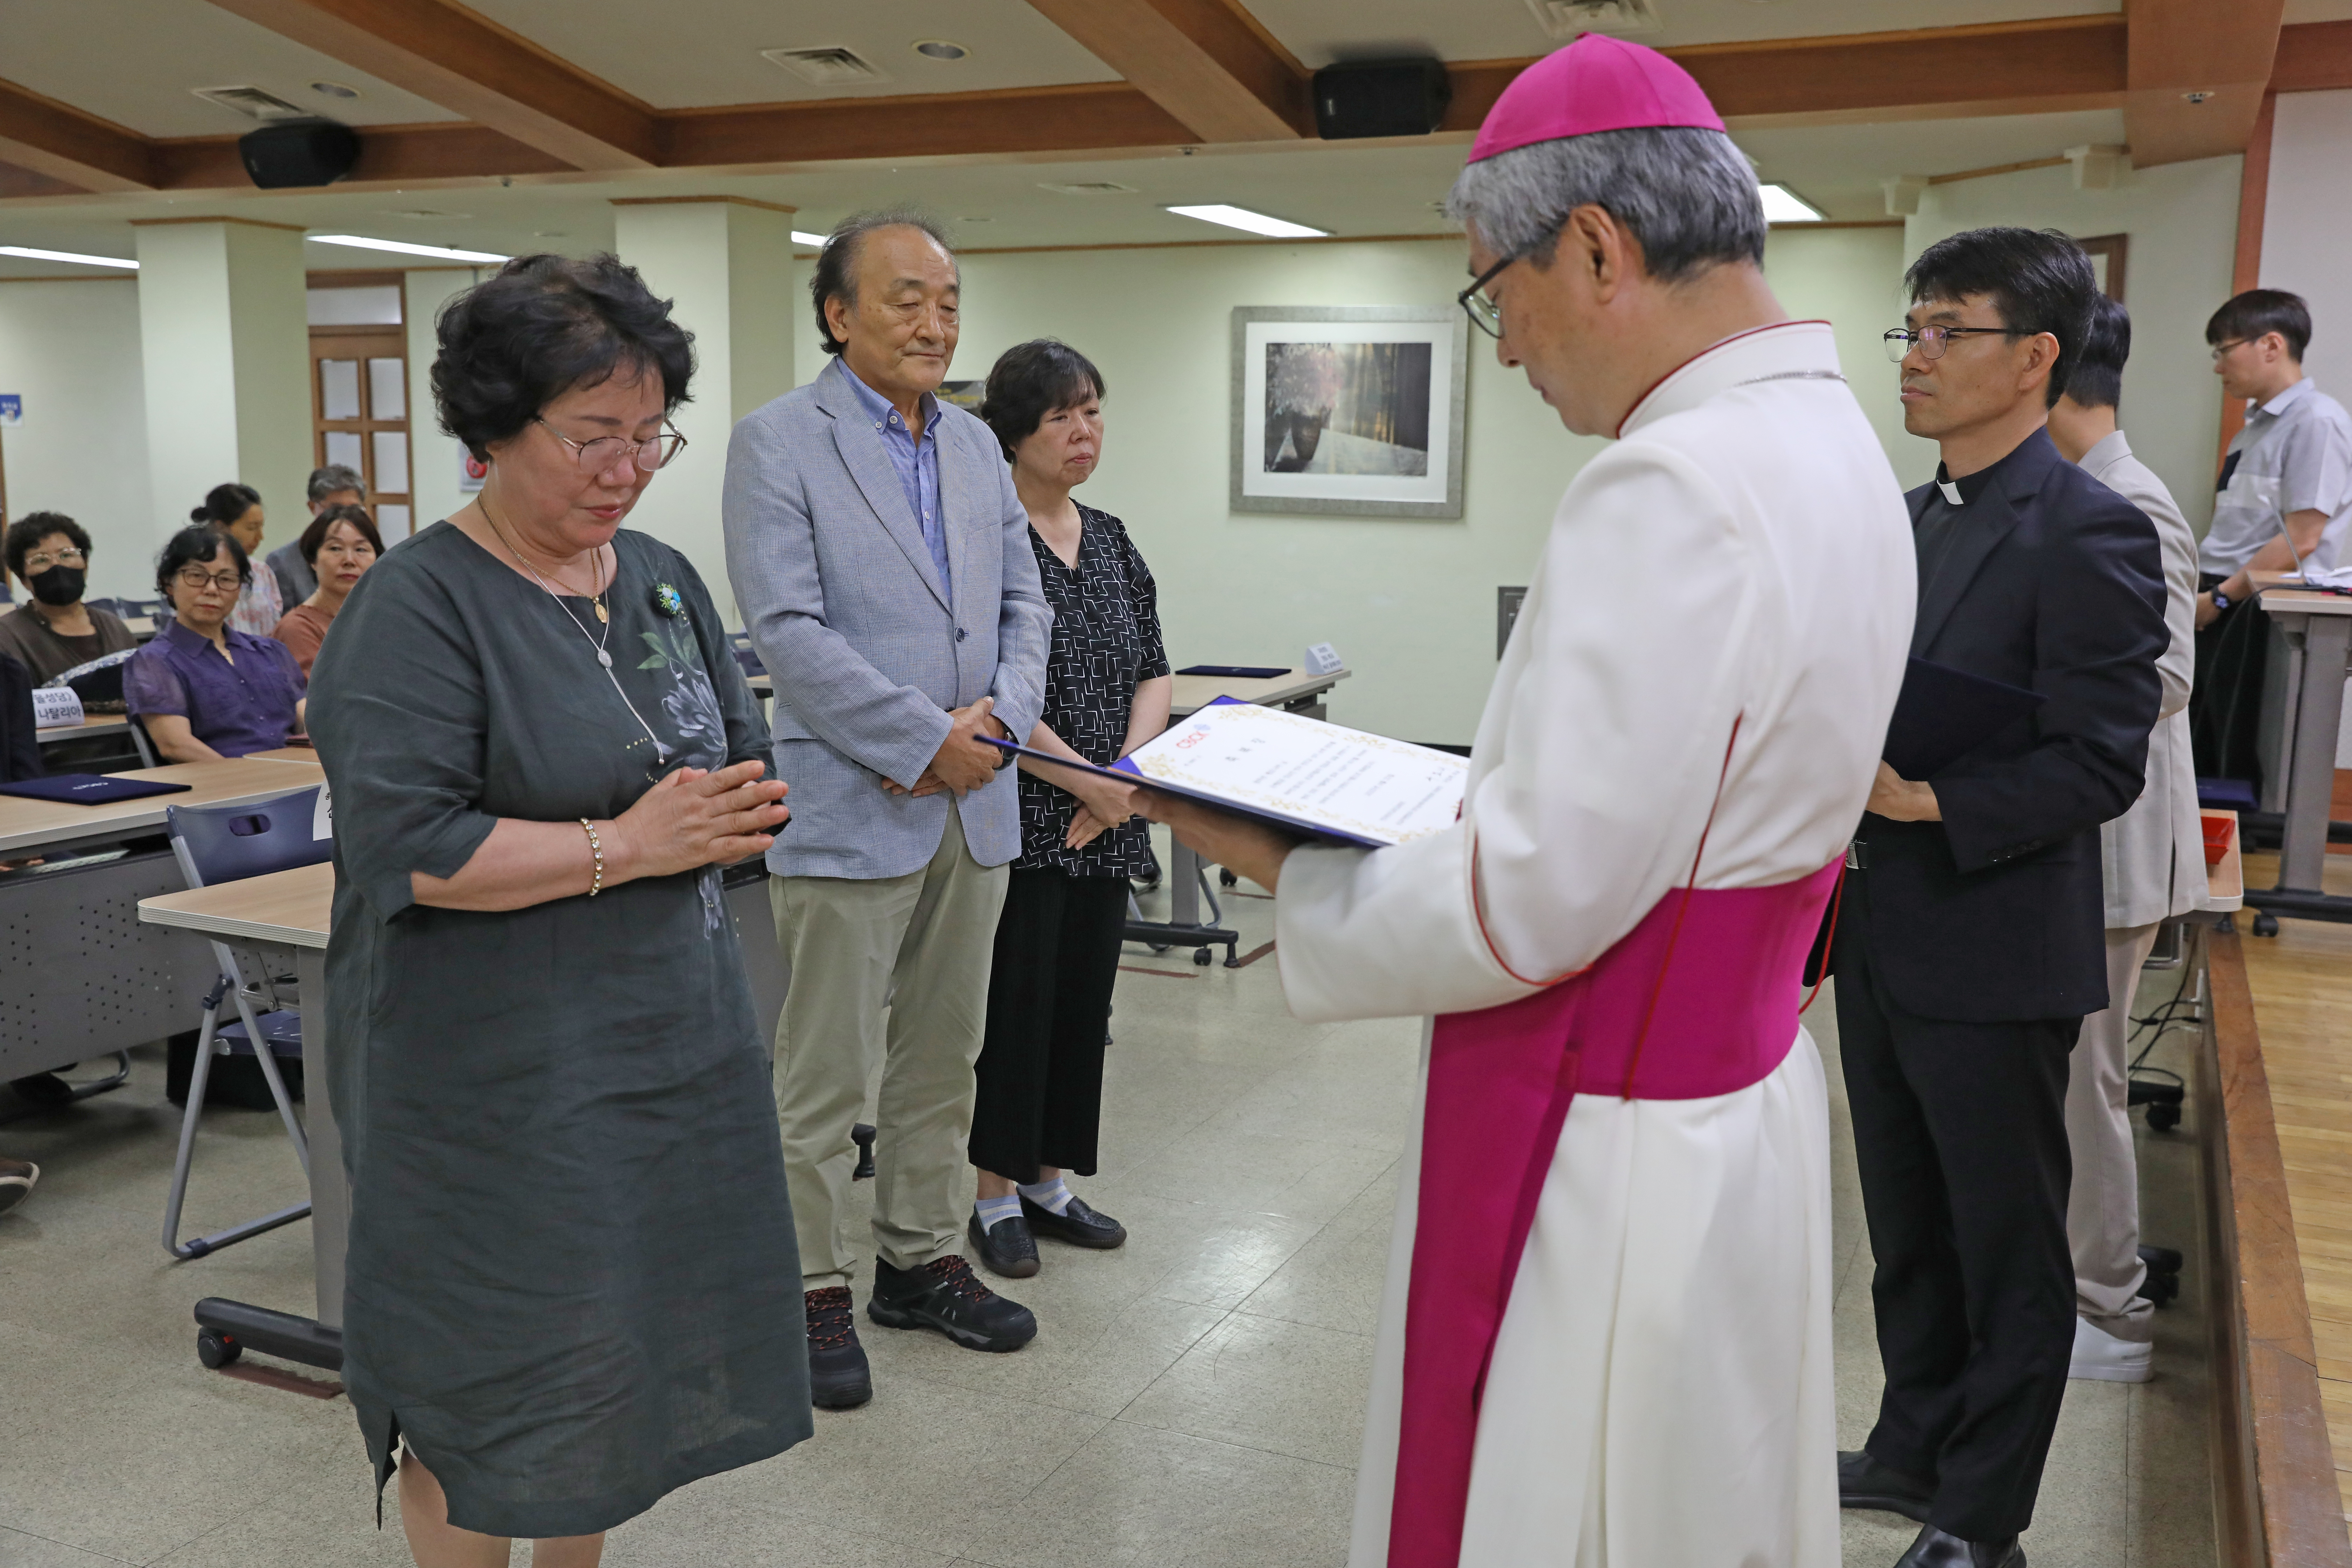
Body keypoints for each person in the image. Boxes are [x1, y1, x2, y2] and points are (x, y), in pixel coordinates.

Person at [1144, 35, 1915, 1567]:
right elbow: (1658, 815)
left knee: (1570, 1507)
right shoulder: (1831, 441)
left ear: (1594, 248)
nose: (1500, 345)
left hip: (1607, 1139)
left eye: (1492, 290)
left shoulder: (1666, 484)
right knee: (1704, 1491)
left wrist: (1275, 863)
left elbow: (1533, 896)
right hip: (1733, 1099)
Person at [308, 252, 808, 1563]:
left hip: (665, 1051)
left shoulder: (654, 577)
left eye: (650, 436)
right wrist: (630, 843)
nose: (627, 467)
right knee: (492, 1384)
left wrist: (733, 813)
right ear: (490, 431)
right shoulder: (417, 607)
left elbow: (735, 758)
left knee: (613, 1373)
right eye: (593, 435)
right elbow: (407, 851)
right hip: (491, 1087)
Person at [1833, 229, 2165, 1568]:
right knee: (1902, 1221)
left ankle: (1980, 1516)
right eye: (1907, 329)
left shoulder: (2091, 525)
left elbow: (2099, 755)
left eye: (1943, 331)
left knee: (2003, 1243)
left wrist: (1928, 802)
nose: (1913, 358)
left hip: (1993, 931)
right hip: (1880, 926)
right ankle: (1909, 1441)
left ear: (2033, 356)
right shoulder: (1902, 517)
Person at [723, 209, 1051, 1410]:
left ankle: (919, 1259)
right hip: (855, 797)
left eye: (950, 301)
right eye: (907, 297)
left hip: (980, 803)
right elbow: (789, 634)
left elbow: (1028, 607)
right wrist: (925, 740)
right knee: (826, 1069)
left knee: (942, 1055)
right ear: (839, 314)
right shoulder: (777, 443)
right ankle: (807, 1282)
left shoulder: (971, 447)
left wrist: (1001, 728)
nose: (935, 320)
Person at [962, 340, 1165, 1279]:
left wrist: (1120, 778)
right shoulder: (984, 539)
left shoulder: (1113, 537)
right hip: (1023, 816)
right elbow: (991, 688)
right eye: (1061, 417)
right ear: (1014, 432)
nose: (1084, 432)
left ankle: (1048, 1181)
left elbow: (1156, 668)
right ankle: (993, 1196)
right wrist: (1082, 780)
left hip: (1108, 817)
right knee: (1017, 1009)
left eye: (1093, 411)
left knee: (1084, 1007)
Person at [2045, 294, 2207, 1384]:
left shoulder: (2132, 502)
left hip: (2114, 835)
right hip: (2075, 830)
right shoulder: (2076, 493)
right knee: (2065, 1076)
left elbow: (2161, 677)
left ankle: (2108, 1311)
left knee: (2085, 1083)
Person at [2190, 290, 2352, 792]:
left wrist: (2220, 598)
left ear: (2271, 345)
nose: (2218, 366)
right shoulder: (2254, 427)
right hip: (2222, 592)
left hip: (2253, 602)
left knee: (2234, 745)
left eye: (2224, 349)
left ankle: (2232, 858)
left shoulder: (2317, 422)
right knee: (2200, 734)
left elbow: (2302, 538)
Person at [125, 526, 307, 762]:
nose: (212, 590)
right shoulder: (154, 662)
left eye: (226, 579)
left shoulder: (271, 652)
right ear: (169, 583)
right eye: (197, 576)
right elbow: (176, 746)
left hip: (296, 778)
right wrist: (253, 779)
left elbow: (308, 722)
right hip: (226, 789)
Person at [0, 512, 137, 684]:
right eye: (41, 560)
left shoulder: (113, 626)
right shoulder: (8, 636)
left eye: (66, 555)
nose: (56, 565)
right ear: (23, 579)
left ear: (85, 565)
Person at [270, 503, 382, 674]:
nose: (349, 560)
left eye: (361, 549)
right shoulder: (297, 628)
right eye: (335, 548)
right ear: (312, 560)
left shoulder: (383, 618)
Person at [190, 482, 285, 638]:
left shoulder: (262, 572)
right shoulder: (197, 572)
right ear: (221, 528)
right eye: (251, 528)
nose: (260, 537)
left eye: (261, 527)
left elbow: (275, 628)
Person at [269, 464, 367, 606]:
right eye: (335, 509)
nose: (345, 517)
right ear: (312, 507)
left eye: (354, 509)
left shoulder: (373, 555)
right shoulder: (283, 562)